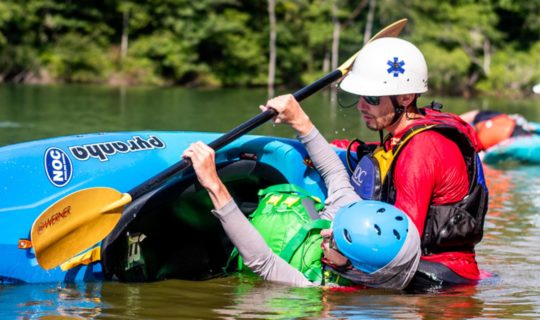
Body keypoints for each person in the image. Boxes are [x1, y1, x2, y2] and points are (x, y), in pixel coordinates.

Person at [182, 95, 422, 289]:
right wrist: (299, 119)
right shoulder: (352, 219)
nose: (327, 232)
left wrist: (214, 183)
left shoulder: (312, 286)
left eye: (334, 242)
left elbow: (261, 261)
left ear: (351, 266)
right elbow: (335, 174)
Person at [335, 37, 489, 290]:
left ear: (406, 97)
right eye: (362, 96)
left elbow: (402, 248)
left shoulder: (420, 149)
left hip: (437, 281)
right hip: (445, 269)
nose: (362, 105)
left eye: (372, 99)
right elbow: (384, 154)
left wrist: (341, 263)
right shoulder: (413, 128)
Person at [460, 109, 535, 150]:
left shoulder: (484, 117)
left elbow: (473, 114)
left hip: (513, 132)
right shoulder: (475, 142)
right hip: (509, 136)